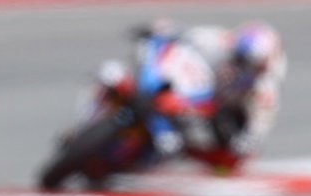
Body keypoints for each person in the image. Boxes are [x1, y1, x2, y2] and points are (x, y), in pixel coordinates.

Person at [98, 18, 286, 173]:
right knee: (139, 72)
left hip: (214, 116)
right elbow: (182, 34)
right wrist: (157, 30)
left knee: (222, 160)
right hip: (191, 87)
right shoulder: (220, 39)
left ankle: (156, 156)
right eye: (239, 57)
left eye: (248, 64)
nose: (239, 65)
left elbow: (256, 133)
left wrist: (242, 142)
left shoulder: (264, 91)